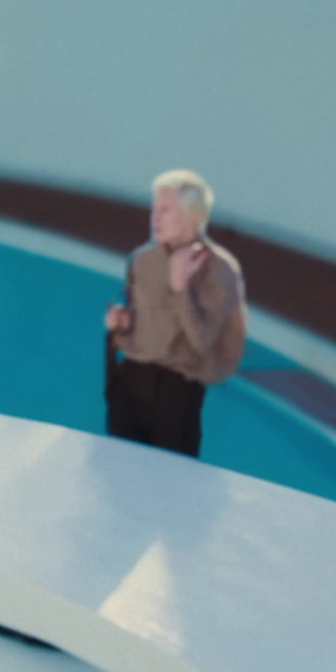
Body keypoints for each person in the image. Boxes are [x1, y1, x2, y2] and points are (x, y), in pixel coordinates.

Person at [104, 169, 246, 458]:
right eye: (154, 209)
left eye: (165, 211)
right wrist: (119, 324)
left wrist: (182, 289)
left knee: (169, 491)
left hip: (176, 397)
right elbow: (136, 317)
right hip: (130, 384)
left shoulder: (220, 271)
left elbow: (202, 343)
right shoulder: (143, 260)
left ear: (193, 217)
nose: (154, 218)